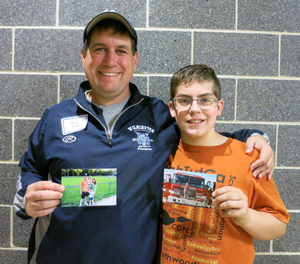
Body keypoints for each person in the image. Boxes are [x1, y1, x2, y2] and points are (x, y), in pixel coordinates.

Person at [13, 10, 274, 264]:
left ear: (135, 60)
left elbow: (205, 134)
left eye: (121, 51)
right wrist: (27, 198)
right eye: (100, 49)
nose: (110, 60)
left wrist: (254, 137)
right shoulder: (55, 118)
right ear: (84, 57)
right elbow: (30, 168)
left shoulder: (158, 115)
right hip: (61, 257)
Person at [159, 64, 290, 264]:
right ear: (173, 108)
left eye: (205, 100)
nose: (195, 109)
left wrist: (246, 216)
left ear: (218, 107)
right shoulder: (162, 155)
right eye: (184, 100)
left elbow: (278, 226)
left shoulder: (250, 157)